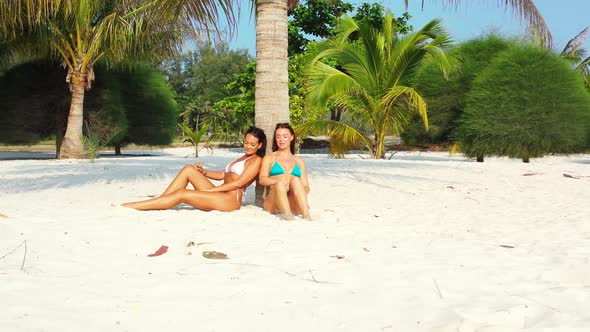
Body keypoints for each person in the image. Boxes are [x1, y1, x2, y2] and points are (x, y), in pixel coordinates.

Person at [120, 126, 267, 212]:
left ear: (260, 145)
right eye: (246, 142)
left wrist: (212, 190)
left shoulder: (256, 161)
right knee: (189, 169)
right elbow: (223, 174)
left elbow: (237, 184)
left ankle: (132, 206)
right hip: (221, 193)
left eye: (252, 144)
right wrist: (204, 172)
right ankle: (162, 200)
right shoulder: (242, 158)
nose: (248, 146)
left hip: (230, 201)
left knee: (183, 193)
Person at [258, 123, 312, 220]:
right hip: (274, 201)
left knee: (295, 180)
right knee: (279, 184)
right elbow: (262, 179)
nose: (281, 139)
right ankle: (288, 216)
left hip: (292, 201)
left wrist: (296, 189)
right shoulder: (269, 158)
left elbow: (306, 187)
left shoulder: (299, 161)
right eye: (278, 137)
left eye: (284, 136)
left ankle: (306, 215)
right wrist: (278, 181)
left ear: (291, 137)